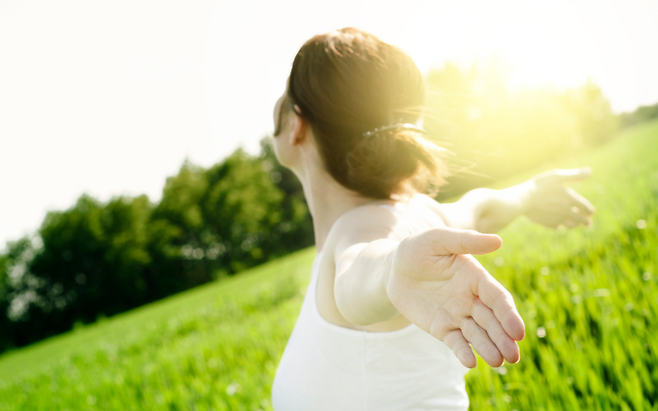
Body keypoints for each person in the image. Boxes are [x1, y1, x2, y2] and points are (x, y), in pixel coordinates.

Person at [269, 28, 595, 411]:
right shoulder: (422, 213)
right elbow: (481, 207)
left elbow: (359, 271)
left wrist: (392, 269)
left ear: (297, 125)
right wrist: (530, 193)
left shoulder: (357, 231)